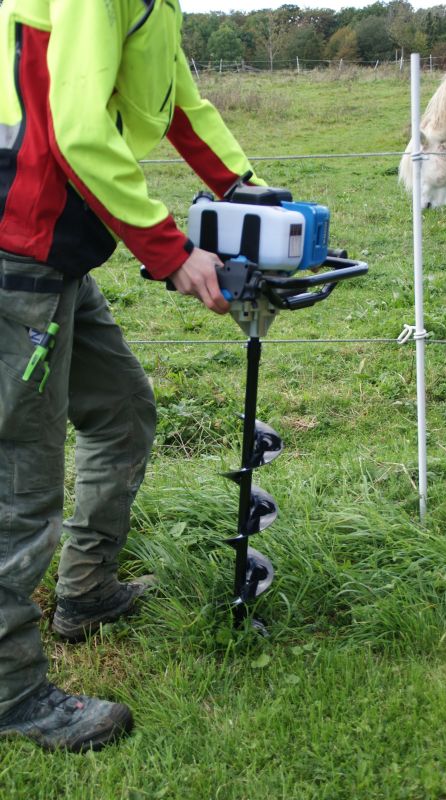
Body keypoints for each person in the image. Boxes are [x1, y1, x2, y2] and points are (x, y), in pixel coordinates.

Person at [0, 0, 265, 752]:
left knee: (122, 410)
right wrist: (171, 251)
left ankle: (84, 595)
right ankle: (12, 696)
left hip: (64, 256)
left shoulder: (156, 4)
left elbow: (180, 103)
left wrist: (246, 190)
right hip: (17, 250)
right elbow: (79, 128)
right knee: (19, 483)